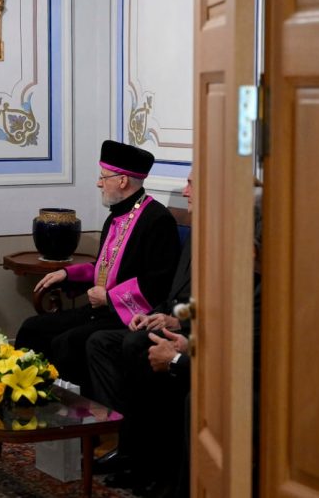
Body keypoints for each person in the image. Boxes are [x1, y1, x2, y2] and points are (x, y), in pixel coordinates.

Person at [15, 140, 181, 394]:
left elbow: (158, 282)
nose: (98, 183)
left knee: (67, 342)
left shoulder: (157, 219)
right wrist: (65, 273)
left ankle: (75, 412)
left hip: (128, 316)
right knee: (32, 328)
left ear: (122, 180)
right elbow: (106, 266)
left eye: (104, 177)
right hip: (102, 311)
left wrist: (109, 298)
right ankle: (23, 398)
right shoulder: (116, 215)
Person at [85, 173, 193, 496]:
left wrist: (176, 322)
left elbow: (215, 304)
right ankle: (122, 440)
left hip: (190, 331)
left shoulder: (157, 218)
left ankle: (142, 456)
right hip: (169, 317)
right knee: (98, 343)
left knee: (133, 344)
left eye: (192, 184)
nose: (185, 190)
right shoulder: (200, 228)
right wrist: (158, 314)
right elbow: (176, 295)